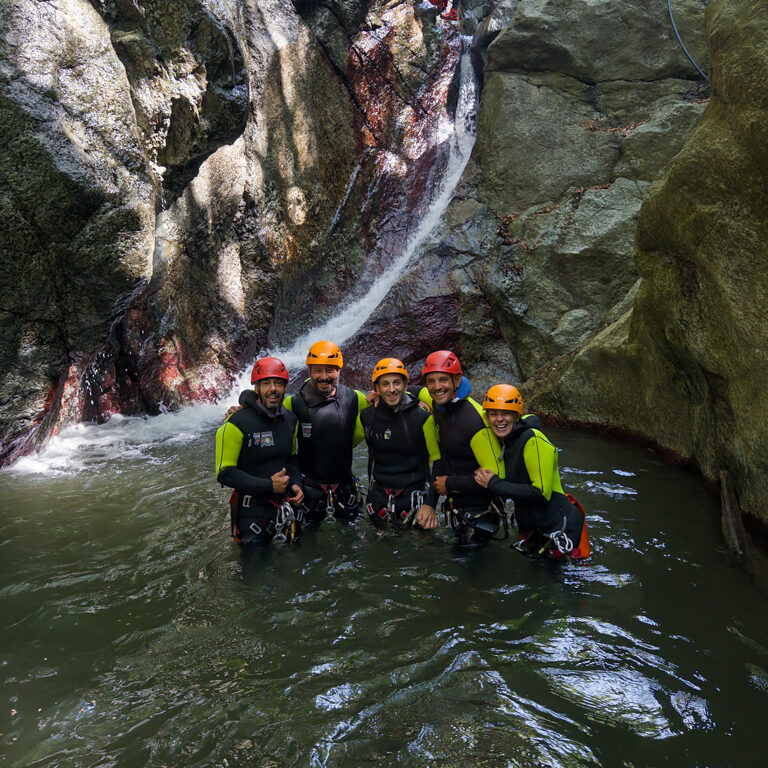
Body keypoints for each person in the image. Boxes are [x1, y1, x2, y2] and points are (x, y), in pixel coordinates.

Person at [474, 384, 591, 560]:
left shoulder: (533, 440)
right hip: (537, 533)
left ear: (516, 416)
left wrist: (494, 484)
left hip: (562, 532)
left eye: (506, 413)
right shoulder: (507, 442)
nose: (499, 419)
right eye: (493, 414)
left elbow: (541, 493)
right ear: (487, 417)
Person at [415, 350, 506, 546]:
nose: (437, 387)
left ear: (457, 380)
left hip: (481, 512)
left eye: (443, 380)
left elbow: (498, 478)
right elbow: (411, 391)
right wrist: (430, 504)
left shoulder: (475, 421)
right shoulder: (438, 404)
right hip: (457, 507)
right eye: (431, 381)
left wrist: (450, 484)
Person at [215, 356, 304, 544]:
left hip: (286, 509)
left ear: (285, 387)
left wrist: (296, 483)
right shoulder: (235, 423)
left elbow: (291, 458)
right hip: (251, 516)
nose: (273, 389)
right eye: (266, 383)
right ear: (256, 388)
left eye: (278, 383)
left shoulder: (290, 420)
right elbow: (224, 473)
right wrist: (268, 485)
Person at [283, 340, 369, 522]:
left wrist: (416, 401)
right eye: (318, 371)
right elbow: (266, 414)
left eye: (329, 370)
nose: (324, 377)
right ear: (309, 371)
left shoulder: (355, 398)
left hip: (344, 488)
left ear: (339, 370)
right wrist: (245, 403)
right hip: (308, 490)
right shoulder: (294, 403)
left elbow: (388, 399)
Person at [361, 358, 440, 527]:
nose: (391, 389)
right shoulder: (366, 416)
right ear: (377, 388)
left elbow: (438, 463)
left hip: (414, 500)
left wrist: (430, 504)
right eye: (385, 384)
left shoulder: (422, 417)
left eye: (397, 383)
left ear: (405, 384)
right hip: (378, 499)